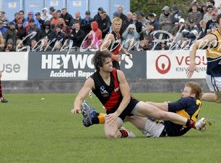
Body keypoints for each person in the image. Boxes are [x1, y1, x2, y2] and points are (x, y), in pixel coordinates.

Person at [71, 50, 206, 139]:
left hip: (129, 105)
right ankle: (125, 133)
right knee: (111, 135)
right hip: (113, 111)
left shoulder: (118, 74)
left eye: (111, 61)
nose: (111, 64)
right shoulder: (92, 80)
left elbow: (127, 97)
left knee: (161, 114)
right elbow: (80, 96)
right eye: (107, 63)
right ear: (100, 66)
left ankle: (193, 124)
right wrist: (76, 106)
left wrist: (118, 112)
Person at [82, 82, 204, 138]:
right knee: (128, 115)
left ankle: (94, 118)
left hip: (162, 129)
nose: (182, 93)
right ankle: (95, 118)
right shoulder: (196, 103)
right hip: (165, 130)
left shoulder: (189, 100)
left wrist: (148, 104)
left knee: (129, 114)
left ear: (192, 94)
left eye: (185, 91)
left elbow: (166, 108)